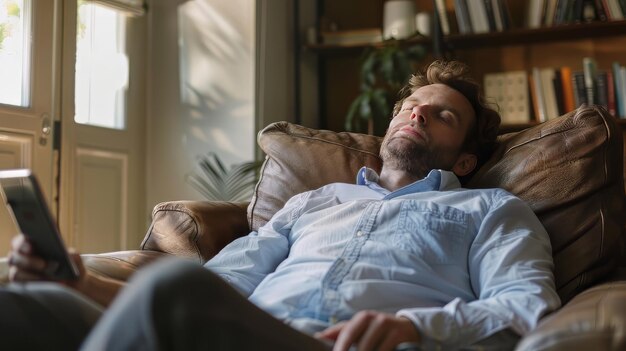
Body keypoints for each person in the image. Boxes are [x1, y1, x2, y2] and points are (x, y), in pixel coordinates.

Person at [3, 60, 561, 351]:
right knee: (28, 303)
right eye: (410, 106)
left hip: (335, 346)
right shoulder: (316, 201)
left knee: (174, 290)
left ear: (465, 160)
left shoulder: (490, 210)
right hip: (237, 334)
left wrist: (417, 328)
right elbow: (223, 286)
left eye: (442, 115)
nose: (416, 114)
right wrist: (79, 282)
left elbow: (526, 304)